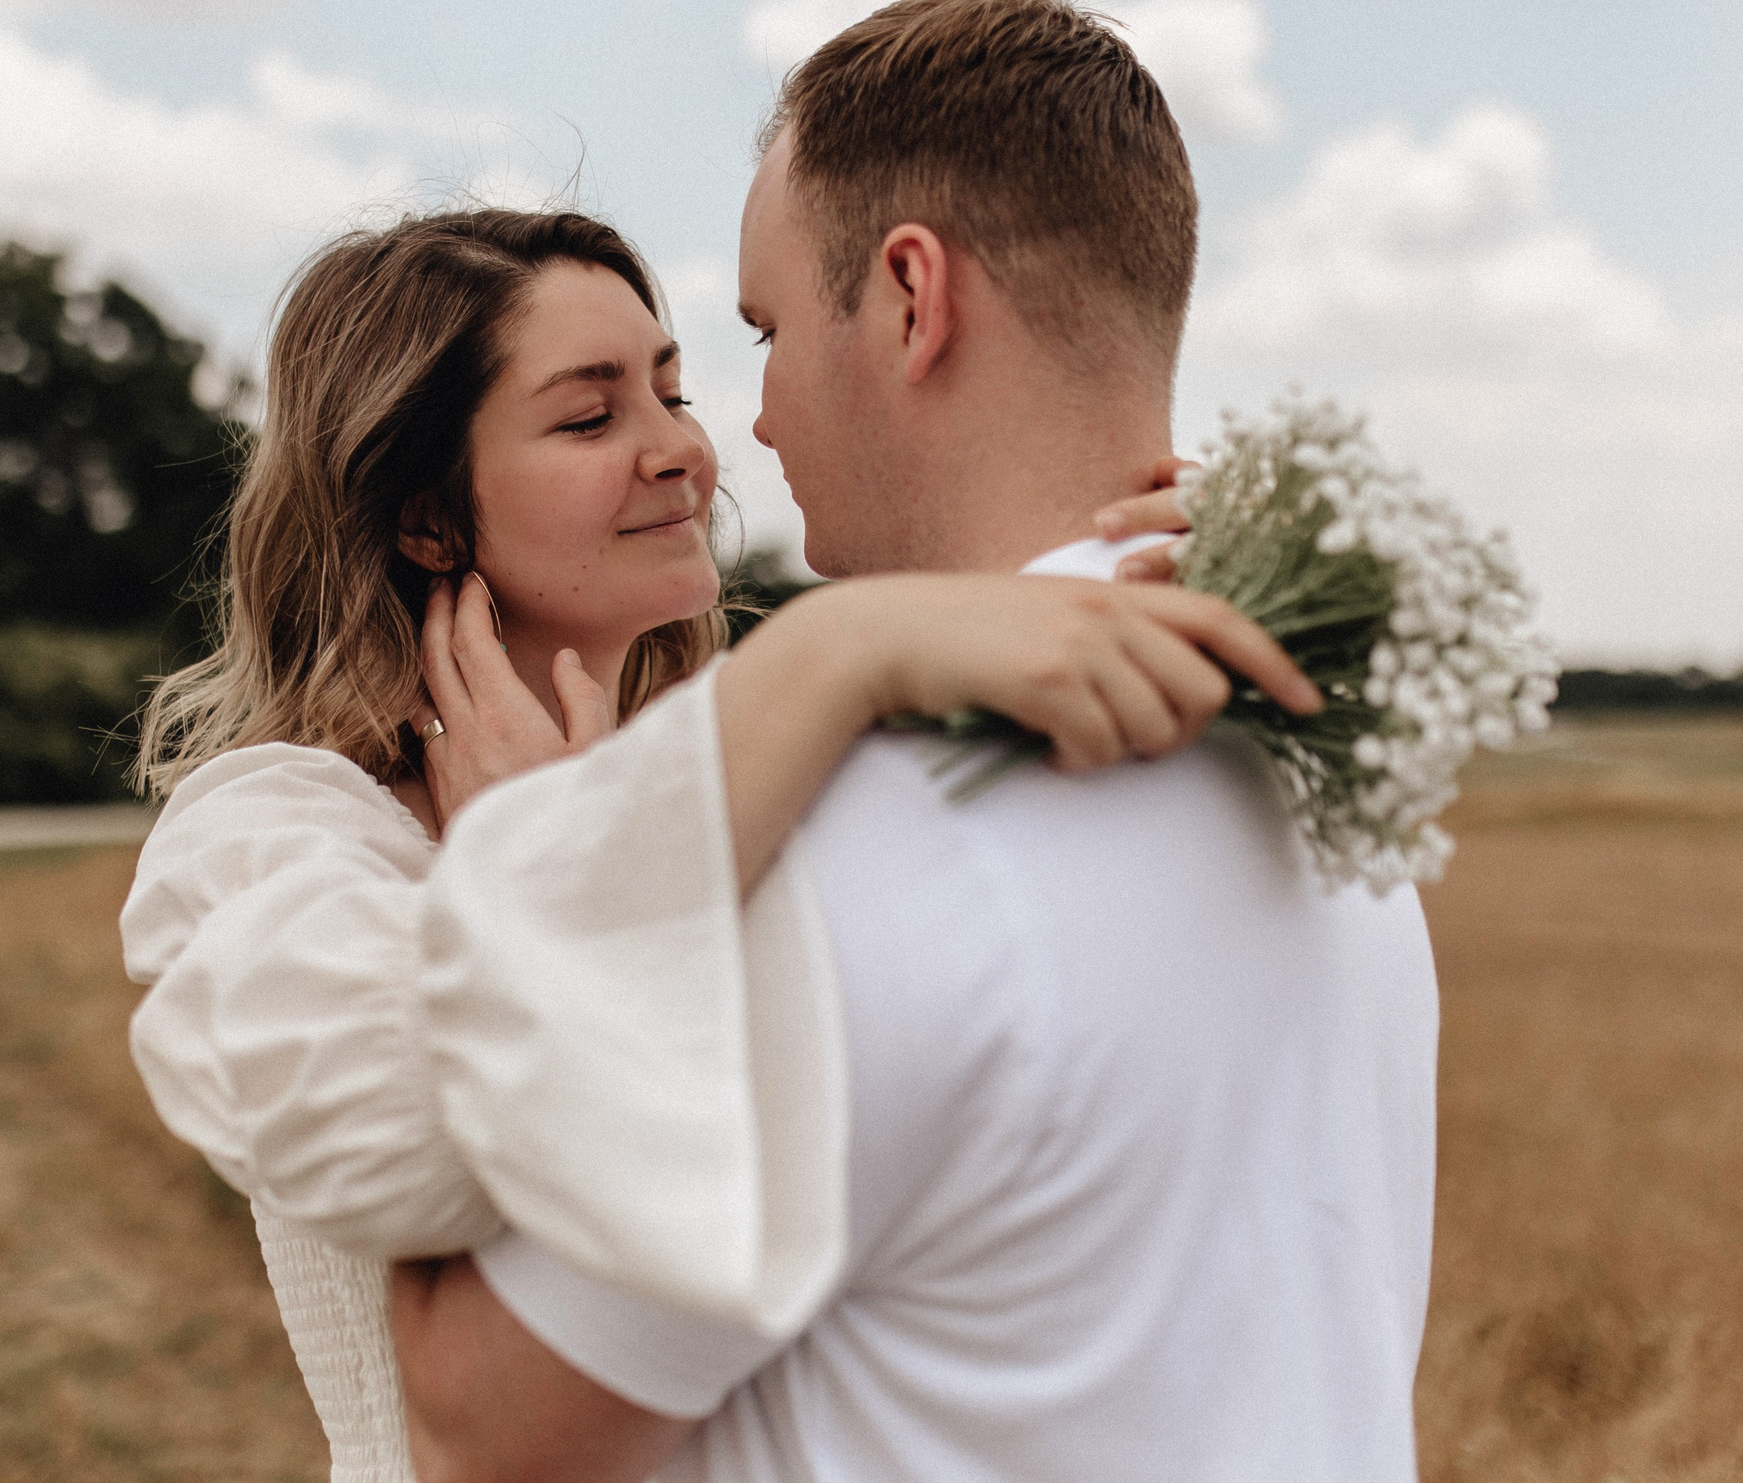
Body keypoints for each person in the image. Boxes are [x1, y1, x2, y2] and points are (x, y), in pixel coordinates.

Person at [384, 0, 1443, 1483]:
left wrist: (561, 867)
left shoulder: (862, 841)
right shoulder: (1316, 759)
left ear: (907, 297)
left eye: (764, 331)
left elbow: (478, 1426)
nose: (745, 424)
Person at [120, 209, 1321, 1480]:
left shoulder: (729, 764)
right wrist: (813, 662)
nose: (683, 451)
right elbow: (375, 1127)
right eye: (590, 418)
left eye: (673, 389)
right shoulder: (274, 832)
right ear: (427, 521)